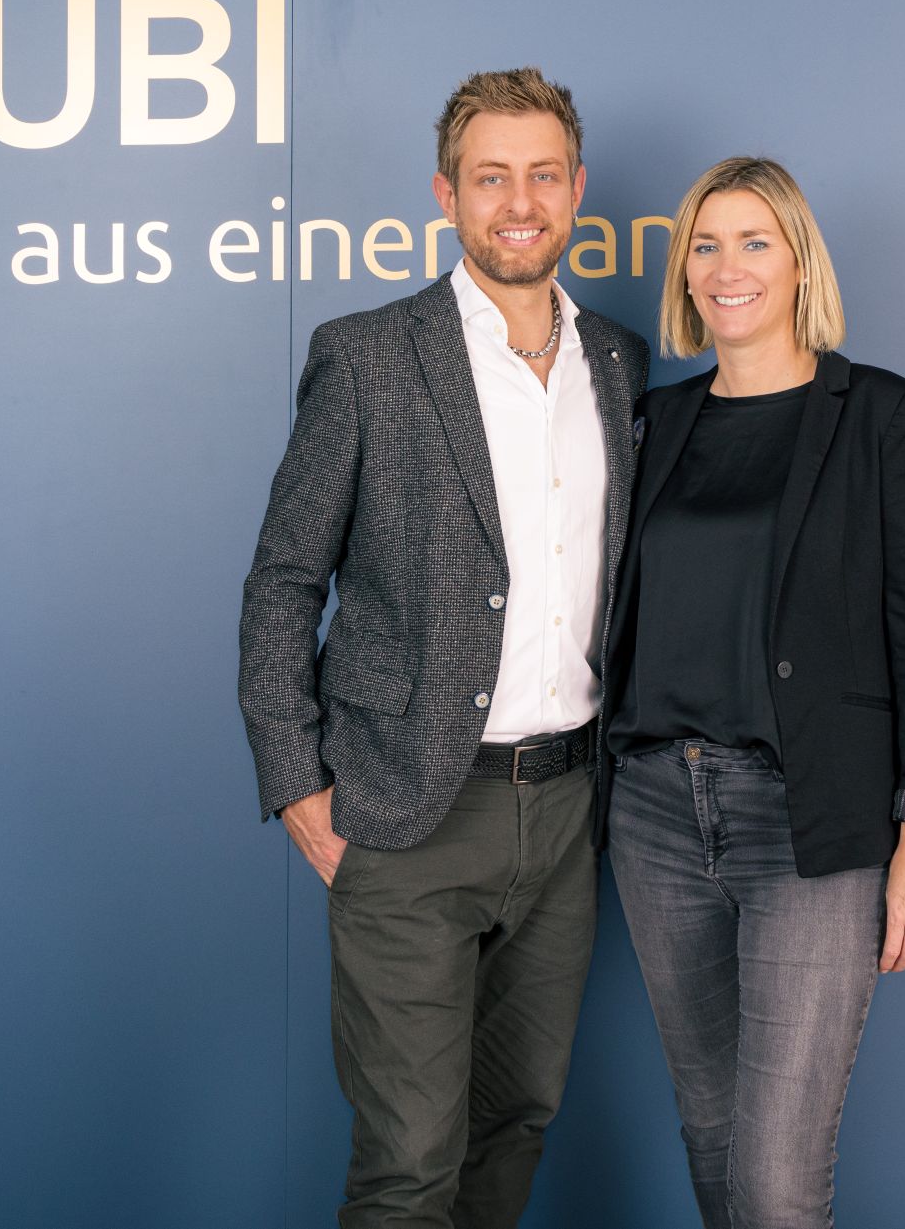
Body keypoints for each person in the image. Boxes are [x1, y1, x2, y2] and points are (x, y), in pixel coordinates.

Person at [239, 68, 650, 1228]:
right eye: (490, 177)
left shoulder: (617, 362)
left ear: (577, 189)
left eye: (542, 175)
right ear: (446, 194)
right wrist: (297, 785)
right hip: (409, 810)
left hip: (566, 812)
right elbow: (283, 580)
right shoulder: (369, 356)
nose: (519, 202)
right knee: (410, 1160)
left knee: (516, 1121)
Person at [600, 156, 905, 1228]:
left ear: (801, 262)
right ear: (685, 272)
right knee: (713, 1139)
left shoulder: (885, 417)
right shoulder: (654, 423)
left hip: (808, 820)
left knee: (774, 1180)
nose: (729, 267)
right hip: (656, 816)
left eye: (755, 241)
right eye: (706, 245)